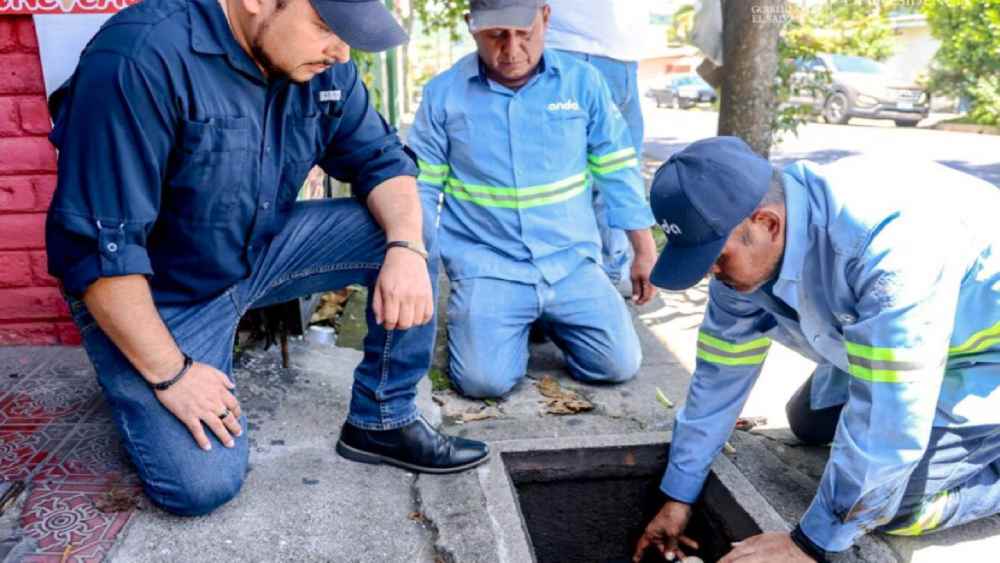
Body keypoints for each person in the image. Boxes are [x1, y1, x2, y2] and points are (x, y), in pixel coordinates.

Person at [44, 0, 489, 517]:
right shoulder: (138, 58)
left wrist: (408, 250)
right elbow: (102, 252)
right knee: (199, 485)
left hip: (258, 251)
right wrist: (174, 375)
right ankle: (136, 370)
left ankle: (382, 421)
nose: (340, 51)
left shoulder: (322, 64)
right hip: (157, 292)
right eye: (325, 26)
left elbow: (381, 160)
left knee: (407, 225)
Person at [634, 137, 1000, 562]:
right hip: (910, 345)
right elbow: (717, 381)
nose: (710, 275)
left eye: (716, 258)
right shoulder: (747, 253)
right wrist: (679, 494)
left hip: (982, 359)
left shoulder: (887, 253)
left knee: (885, 504)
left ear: (767, 224)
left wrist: (808, 543)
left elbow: (889, 423)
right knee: (808, 422)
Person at [407, 0, 658, 399]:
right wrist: (413, 262)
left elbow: (617, 168)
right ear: (470, 26)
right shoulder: (443, 95)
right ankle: (510, 320)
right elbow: (421, 188)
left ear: (546, 17)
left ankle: (547, 320)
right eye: (496, 36)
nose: (511, 50)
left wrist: (642, 248)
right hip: (490, 266)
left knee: (617, 365)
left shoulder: (583, 83)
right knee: (482, 382)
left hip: (571, 263)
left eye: (524, 34)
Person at [545, 0, 649, 288]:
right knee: (560, 178)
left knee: (620, 169)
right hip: (565, 44)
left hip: (623, 54)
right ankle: (556, 282)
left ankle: (609, 274)